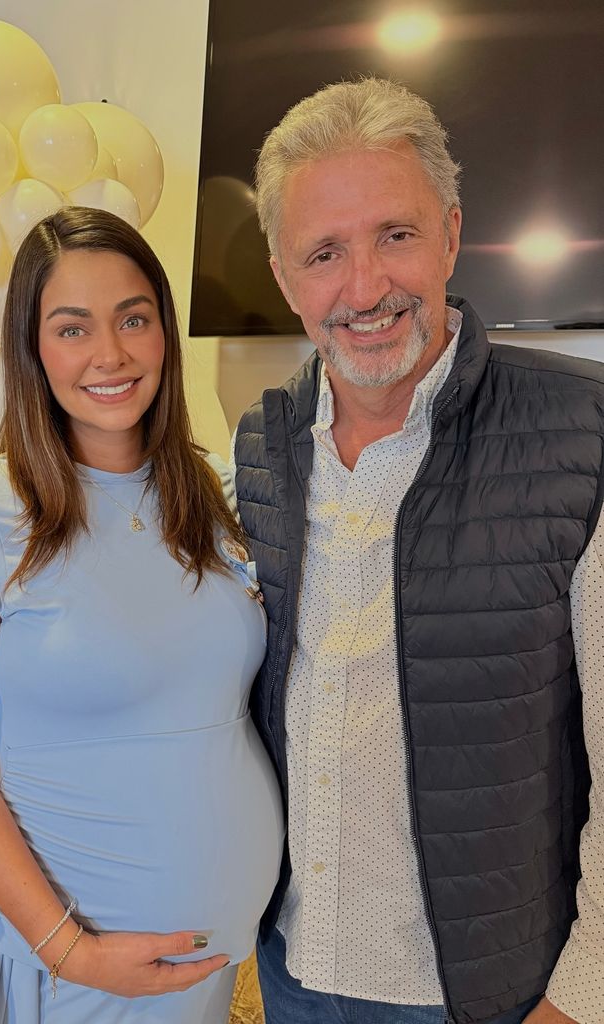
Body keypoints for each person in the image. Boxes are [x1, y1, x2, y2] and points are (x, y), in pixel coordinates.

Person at [233, 77, 604, 1024]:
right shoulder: (261, 447)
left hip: (491, 999)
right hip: (292, 973)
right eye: (323, 253)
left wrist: (582, 992)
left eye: (394, 235)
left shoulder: (581, 432)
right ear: (282, 275)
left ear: (449, 233)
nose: (364, 288)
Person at [0, 206, 284, 1023]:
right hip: (75, 960)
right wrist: (68, 947)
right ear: (33, 349)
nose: (110, 355)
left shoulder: (214, 492)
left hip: (209, 955)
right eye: (72, 328)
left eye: (133, 320)